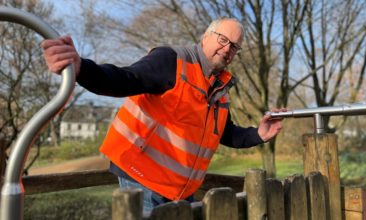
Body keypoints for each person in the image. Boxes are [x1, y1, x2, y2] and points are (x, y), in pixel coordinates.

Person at [41, 17, 285, 212]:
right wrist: (81, 67)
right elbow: (124, 79)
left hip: (178, 189)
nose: (227, 49)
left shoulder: (220, 89)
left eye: (234, 46)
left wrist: (259, 134)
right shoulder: (172, 60)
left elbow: (225, 133)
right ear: (205, 36)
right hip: (142, 178)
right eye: (223, 39)